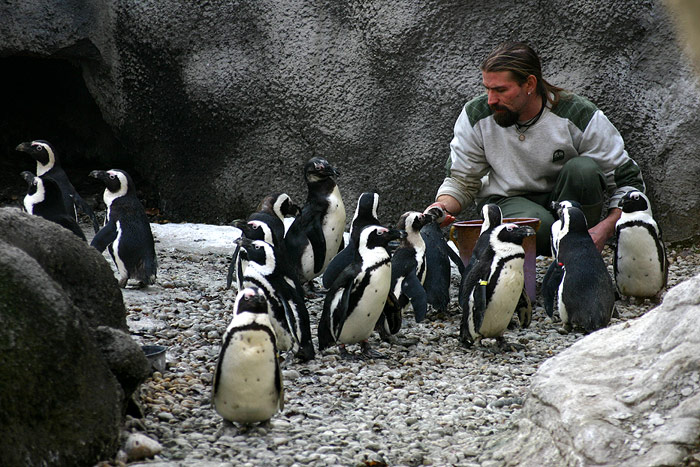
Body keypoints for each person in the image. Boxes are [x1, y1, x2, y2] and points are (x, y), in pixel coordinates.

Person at [428, 41, 646, 256]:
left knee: (584, 170)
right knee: (535, 226)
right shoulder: (476, 115)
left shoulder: (578, 114)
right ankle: (566, 247)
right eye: (487, 89)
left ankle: (575, 248)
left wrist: (604, 229)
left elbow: (628, 183)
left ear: (530, 84)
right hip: (507, 202)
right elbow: (461, 181)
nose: (491, 99)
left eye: (501, 90)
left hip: (565, 203)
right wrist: (440, 209)